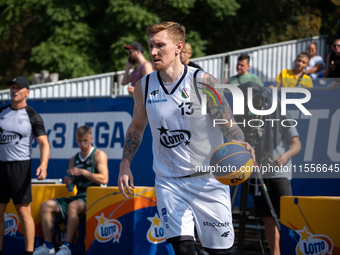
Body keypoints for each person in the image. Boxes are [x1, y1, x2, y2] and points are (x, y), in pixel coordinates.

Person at [117, 21, 255, 255]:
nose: (153, 52)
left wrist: (239, 140)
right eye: (151, 45)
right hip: (169, 182)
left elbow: (226, 121)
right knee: (182, 250)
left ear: (179, 46)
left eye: (160, 45)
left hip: (208, 181)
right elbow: (137, 126)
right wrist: (125, 163)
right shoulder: (144, 86)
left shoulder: (203, 82)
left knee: (220, 252)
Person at [33, 126, 109, 255]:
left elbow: (104, 179)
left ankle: (67, 247)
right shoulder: (73, 159)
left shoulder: (98, 155)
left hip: (94, 197)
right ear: (76, 140)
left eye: (85, 140)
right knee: (46, 205)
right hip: (79, 196)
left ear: (91, 139)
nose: (83, 144)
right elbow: (70, 189)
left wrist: (83, 172)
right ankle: (48, 246)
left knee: (73, 206)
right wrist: (69, 182)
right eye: (80, 141)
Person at [0, 76, 50, 255]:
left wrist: (43, 165)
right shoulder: (2, 112)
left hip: (20, 167)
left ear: (27, 92)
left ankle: (29, 252)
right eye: (12, 88)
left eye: (18, 88)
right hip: (1, 167)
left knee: (23, 211)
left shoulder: (32, 115)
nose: (14, 91)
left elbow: (44, 144)